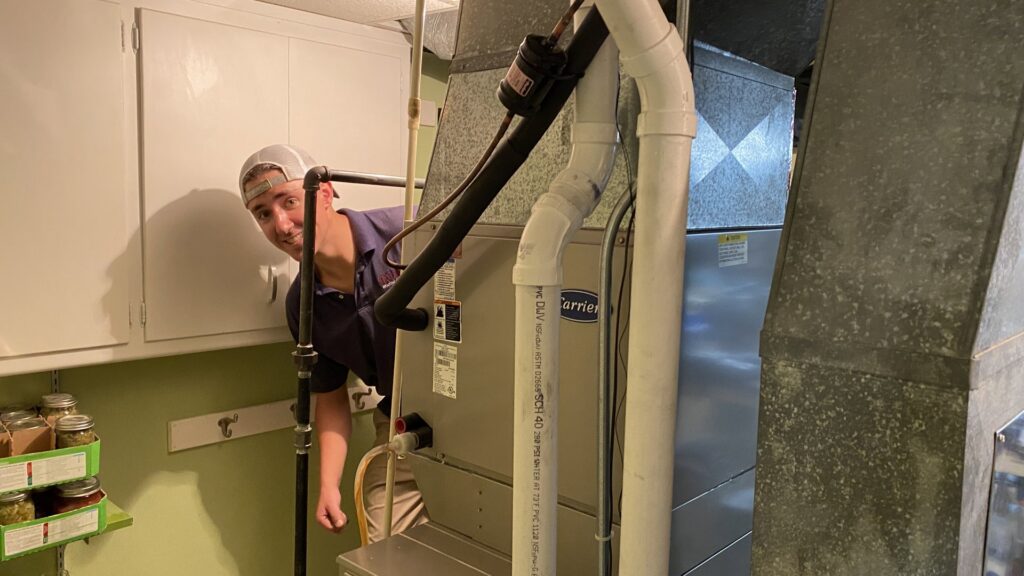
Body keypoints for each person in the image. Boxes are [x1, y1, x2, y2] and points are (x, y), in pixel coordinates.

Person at [238, 144, 427, 541]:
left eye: (289, 201)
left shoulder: (410, 231)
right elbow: (332, 397)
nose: (283, 224)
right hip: (402, 425)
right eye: (263, 214)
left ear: (325, 192)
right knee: (385, 549)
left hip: (483, 417)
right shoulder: (303, 305)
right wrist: (329, 486)